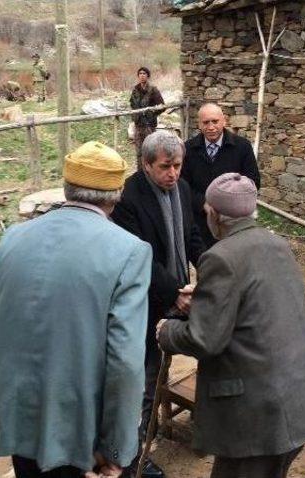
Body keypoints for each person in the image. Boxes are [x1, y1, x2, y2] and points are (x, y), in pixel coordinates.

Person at [0, 141, 152, 478]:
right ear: (116, 194)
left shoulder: (13, 238)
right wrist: (118, 450)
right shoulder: (129, 251)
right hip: (80, 432)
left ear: (67, 187)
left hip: (17, 413)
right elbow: (124, 362)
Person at [157, 172, 305, 478]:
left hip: (260, 415)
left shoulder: (220, 257)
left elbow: (204, 340)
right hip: (300, 396)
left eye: (207, 210)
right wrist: (210, 296)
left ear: (216, 215)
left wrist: (167, 332)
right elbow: (259, 298)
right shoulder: (277, 243)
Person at [111, 130, 205, 478]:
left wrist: (209, 269)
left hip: (180, 293)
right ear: (146, 164)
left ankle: (206, 426)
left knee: (209, 353)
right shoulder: (128, 198)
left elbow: (192, 235)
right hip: (147, 303)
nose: (174, 173)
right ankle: (133, 458)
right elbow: (139, 259)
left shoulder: (181, 190)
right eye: (165, 167)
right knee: (144, 383)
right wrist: (175, 293)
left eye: (178, 165)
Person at [182, 103, 261, 248]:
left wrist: (231, 204)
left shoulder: (242, 147)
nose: (211, 127)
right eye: (206, 122)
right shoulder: (188, 149)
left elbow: (253, 181)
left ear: (224, 120)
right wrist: (202, 203)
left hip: (234, 222)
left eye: (215, 121)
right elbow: (183, 185)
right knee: (207, 264)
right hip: (201, 221)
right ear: (199, 124)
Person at [129, 67, 165, 170]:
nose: (142, 75)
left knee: (150, 150)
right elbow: (132, 103)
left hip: (149, 125)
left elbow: (162, 106)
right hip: (138, 125)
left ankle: (151, 172)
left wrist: (151, 114)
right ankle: (140, 173)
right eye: (140, 73)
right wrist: (135, 116)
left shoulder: (153, 89)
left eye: (144, 73)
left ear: (148, 76)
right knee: (139, 151)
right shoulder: (135, 90)